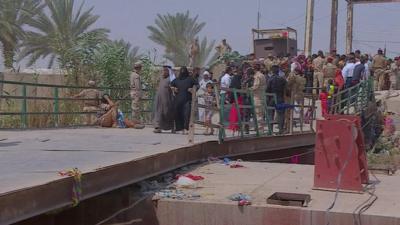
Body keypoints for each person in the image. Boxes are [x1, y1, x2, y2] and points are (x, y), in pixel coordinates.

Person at [171, 66, 198, 134]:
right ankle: (180, 128)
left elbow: (197, 85)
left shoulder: (190, 79)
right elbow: (171, 85)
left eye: (184, 71)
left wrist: (193, 89)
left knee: (186, 115)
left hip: (187, 100)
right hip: (178, 100)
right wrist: (173, 89)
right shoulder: (177, 79)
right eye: (182, 71)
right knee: (178, 114)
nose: (183, 72)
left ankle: (186, 128)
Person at [153, 66, 175, 133]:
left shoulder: (171, 79)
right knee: (158, 112)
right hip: (159, 99)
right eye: (164, 70)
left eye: (166, 71)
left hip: (167, 100)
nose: (164, 72)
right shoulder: (161, 78)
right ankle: (157, 126)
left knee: (167, 113)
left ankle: (172, 127)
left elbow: (173, 89)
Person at [267, 65, 287, 134]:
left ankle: (270, 130)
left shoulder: (270, 79)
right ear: (278, 71)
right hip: (280, 97)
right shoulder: (282, 79)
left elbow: (267, 89)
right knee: (281, 114)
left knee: (270, 114)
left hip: (271, 98)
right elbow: (287, 90)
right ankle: (281, 130)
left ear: (272, 71)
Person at [250, 62, 267, 131]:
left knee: (258, 113)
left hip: (257, 96)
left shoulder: (257, 76)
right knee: (261, 113)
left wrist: (248, 89)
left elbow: (256, 86)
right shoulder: (262, 75)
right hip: (262, 95)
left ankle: (260, 129)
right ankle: (260, 127)